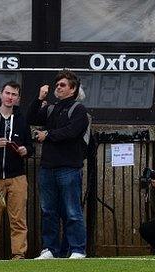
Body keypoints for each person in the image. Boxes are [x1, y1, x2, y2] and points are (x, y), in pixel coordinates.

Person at [28, 70, 89, 259]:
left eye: (63, 85)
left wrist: (48, 135)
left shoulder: (79, 109)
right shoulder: (51, 108)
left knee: (72, 211)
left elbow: (72, 132)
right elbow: (31, 118)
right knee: (48, 211)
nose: (58, 88)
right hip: (47, 167)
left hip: (68, 167)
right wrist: (39, 99)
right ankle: (50, 249)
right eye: (57, 85)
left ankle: (78, 249)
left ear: (72, 89)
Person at [0, 81, 33, 260]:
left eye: (14, 95)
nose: (10, 97)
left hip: (17, 176)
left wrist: (25, 150)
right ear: (0, 94)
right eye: (8, 93)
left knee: (18, 219)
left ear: (18, 98)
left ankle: (18, 254)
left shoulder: (21, 119)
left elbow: (30, 147)